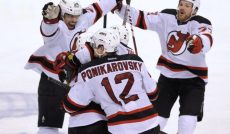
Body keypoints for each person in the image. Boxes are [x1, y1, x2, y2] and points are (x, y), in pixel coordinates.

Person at [111, 0, 213, 133]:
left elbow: (206, 36)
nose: (182, 8)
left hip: (193, 79)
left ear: (194, 10)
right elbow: (143, 17)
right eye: (181, 4)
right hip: (168, 77)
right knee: (157, 120)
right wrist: (119, 8)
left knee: (187, 122)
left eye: (187, 6)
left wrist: (199, 42)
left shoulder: (201, 23)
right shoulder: (167, 17)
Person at [24, 0, 122, 133]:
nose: (73, 20)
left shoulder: (82, 19)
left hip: (77, 83)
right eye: (69, 16)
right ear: (61, 13)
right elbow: (47, 30)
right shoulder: (56, 27)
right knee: (48, 127)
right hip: (53, 83)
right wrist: (49, 19)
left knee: (91, 121)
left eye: (76, 16)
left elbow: (98, 8)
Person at [63, 28, 160, 134]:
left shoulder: (88, 72)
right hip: (151, 124)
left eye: (94, 45)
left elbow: (70, 106)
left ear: (101, 48)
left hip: (121, 129)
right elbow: (154, 94)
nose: (91, 48)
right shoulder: (136, 61)